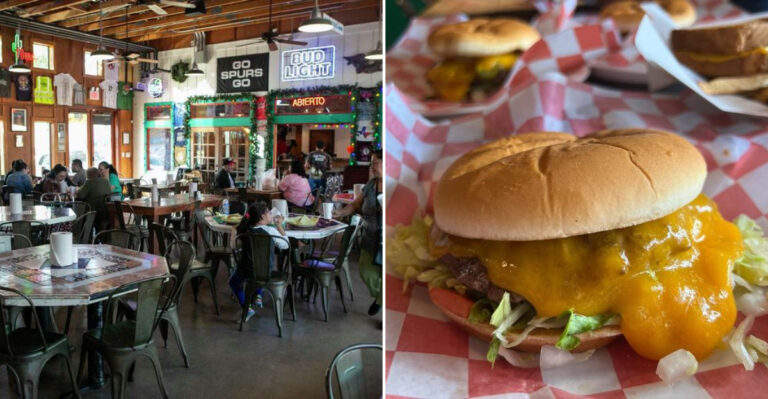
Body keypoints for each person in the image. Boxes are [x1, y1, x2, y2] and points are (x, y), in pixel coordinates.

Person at [333, 150, 383, 318]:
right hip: (369, 238)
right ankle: (380, 298)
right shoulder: (370, 185)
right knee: (366, 271)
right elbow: (355, 205)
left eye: (375, 163)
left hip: (390, 241)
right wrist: (340, 213)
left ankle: (385, 309)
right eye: (371, 163)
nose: (372, 167)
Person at [229, 202, 288, 321]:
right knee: (262, 266)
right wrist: (279, 225)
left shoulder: (244, 230)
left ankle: (247, 307)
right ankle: (258, 295)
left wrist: (233, 231)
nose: (271, 214)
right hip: (266, 271)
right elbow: (285, 245)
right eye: (269, 212)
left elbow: (233, 246)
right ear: (262, 217)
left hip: (246, 270)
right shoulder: (270, 231)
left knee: (233, 282)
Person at [76, 167, 112, 231]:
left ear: (89, 174)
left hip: (92, 210)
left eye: (87, 174)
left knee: (79, 209)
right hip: (105, 209)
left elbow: (80, 195)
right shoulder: (105, 181)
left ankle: (84, 234)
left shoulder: (90, 182)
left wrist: (78, 190)